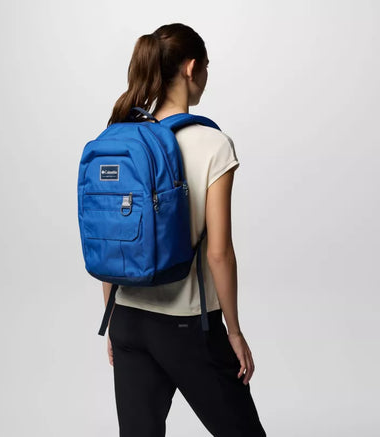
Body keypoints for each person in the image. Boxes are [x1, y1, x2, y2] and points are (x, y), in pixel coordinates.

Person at [102, 23, 267, 437]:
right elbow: (219, 253)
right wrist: (234, 331)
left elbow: (112, 239)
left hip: (127, 318)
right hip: (187, 323)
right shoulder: (213, 144)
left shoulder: (120, 138)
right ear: (192, 68)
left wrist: (114, 318)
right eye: (206, 67)